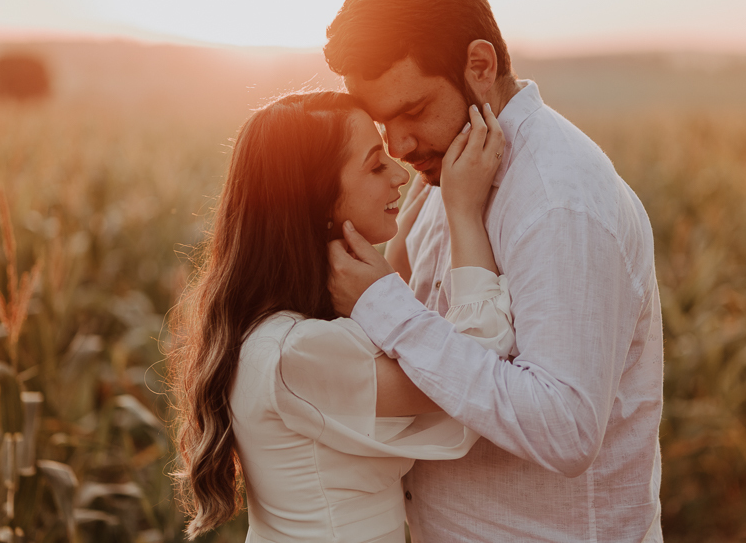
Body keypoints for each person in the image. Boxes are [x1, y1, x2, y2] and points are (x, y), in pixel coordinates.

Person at [324, 0, 665, 542]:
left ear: (479, 66)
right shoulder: (449, 170)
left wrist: (388, 309)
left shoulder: (558, 201)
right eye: (385, 124)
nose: (401, 145)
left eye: (413, 111)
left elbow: (565, 428)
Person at [168, 91, 515, 542]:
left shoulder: (273, 333)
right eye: (375, 165)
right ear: (317, 202)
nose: (399, 173)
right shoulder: (298, 353)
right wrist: (463, 212)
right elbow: (474, 374)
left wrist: (399, 244)